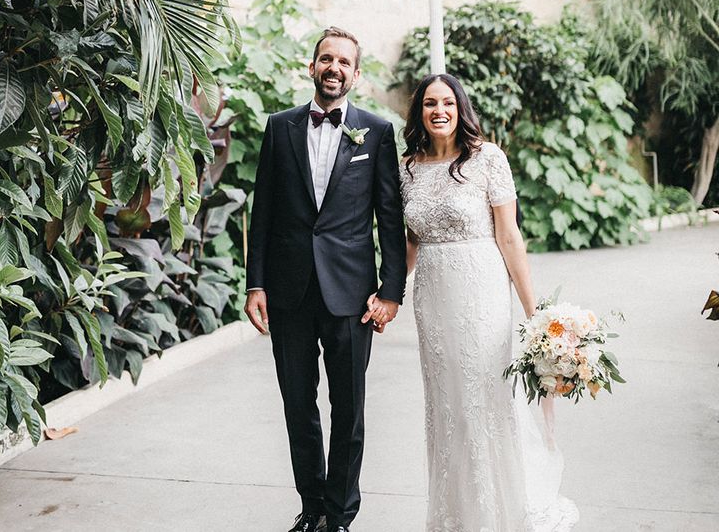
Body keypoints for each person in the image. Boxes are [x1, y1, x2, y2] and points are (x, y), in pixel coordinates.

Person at [245, 27, 407, 532]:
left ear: (356, 74)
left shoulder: (376, 132)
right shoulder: (280, 127)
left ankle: (338, 515)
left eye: (343, 62)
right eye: (325, 59)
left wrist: (391, 291)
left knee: (348, 409)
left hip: (352, 295)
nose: (333, 67)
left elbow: (389, 217)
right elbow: (263, 211)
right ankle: (311, 505)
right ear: (312, 66)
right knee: (298, 405)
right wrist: (256, 284)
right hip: (289, 293)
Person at [401, 73, 579, 531]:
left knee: (483, 399)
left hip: (481, 293)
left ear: (460, 108)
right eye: (428, 104)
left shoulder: (487, 159)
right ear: (419, 112)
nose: (438, 110)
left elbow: (509, 235)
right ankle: (455, 515)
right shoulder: (409, 167)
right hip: (432, 298)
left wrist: (533, 311)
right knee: (446, 406)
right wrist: (386, 295)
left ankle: (501, 512)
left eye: (447, 102)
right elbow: (410, 243)